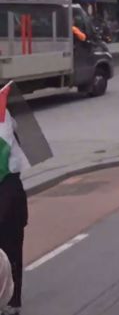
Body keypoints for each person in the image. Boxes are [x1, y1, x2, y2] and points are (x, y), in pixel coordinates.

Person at [0, 107, 27, 315]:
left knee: (11, 249)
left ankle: (12, 299)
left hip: (9, 190)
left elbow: (28, 141)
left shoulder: (7, 112)